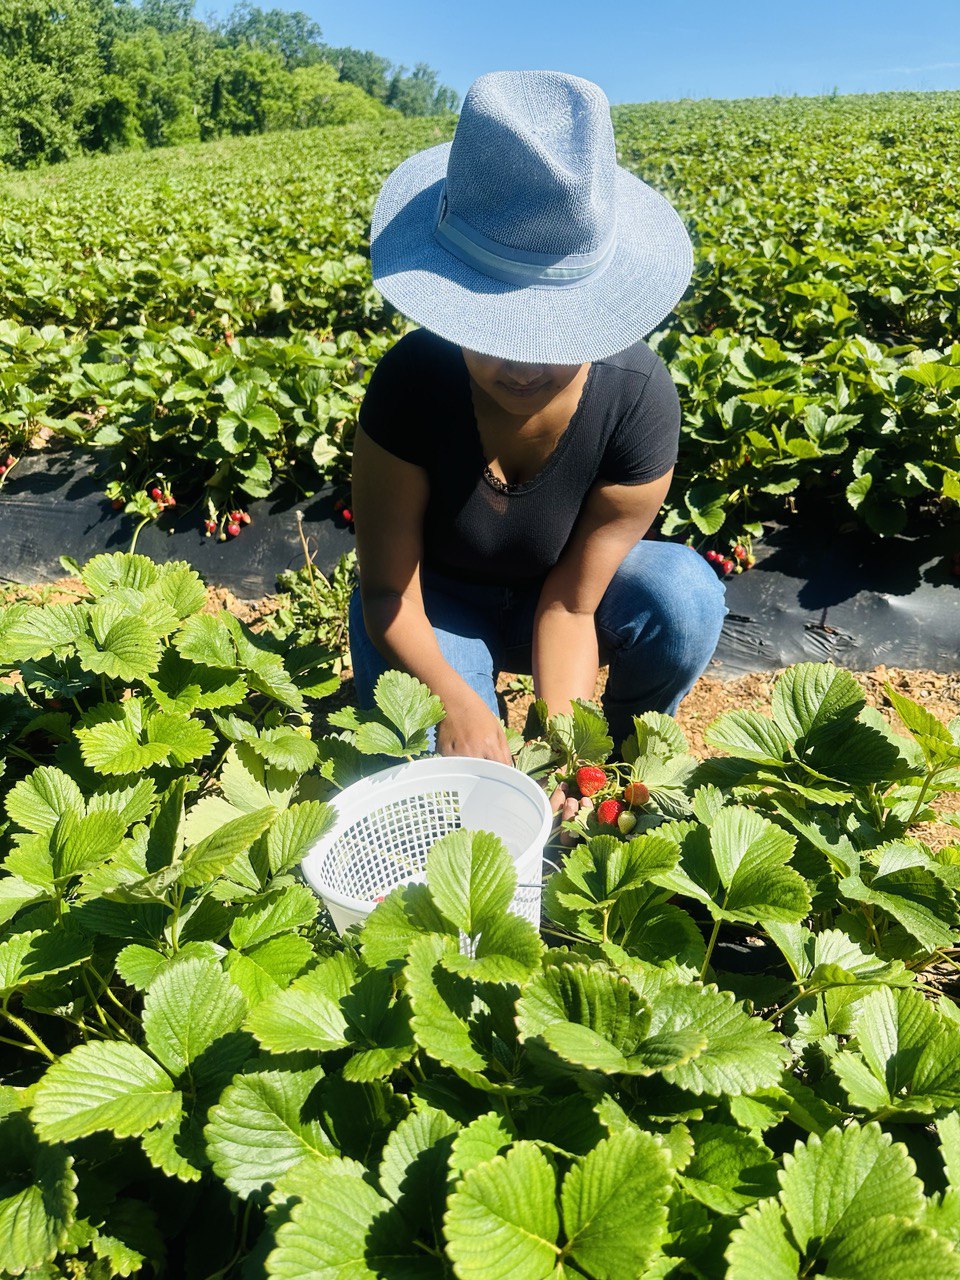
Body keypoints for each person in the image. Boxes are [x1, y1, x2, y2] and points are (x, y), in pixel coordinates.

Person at [348, 69, 726, 825]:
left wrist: (566, 743)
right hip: (432, 606)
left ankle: (618, 763)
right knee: (447, 789)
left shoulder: (637, 400)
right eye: (493, 328)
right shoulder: (412, 385)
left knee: (683, 595)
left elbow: (572, 605)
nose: (523, 366)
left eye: (555, 335)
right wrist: (456, 703)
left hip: (556, 604)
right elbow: (389, 595)